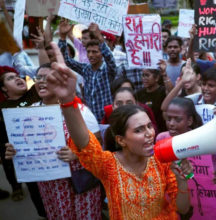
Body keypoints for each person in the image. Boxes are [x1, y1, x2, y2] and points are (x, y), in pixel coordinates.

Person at [44, 41, 193, 218]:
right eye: (138, 130)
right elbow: (85, 143)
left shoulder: (163, 162)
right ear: (121, 139)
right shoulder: (108, 165)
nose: (149, 134)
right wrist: (68, 100)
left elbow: (182, 209)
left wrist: (182, 182)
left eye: (148, 126)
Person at [5, 63, 102, 219]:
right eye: (39, 77)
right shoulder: (30, 112)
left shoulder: (80, 111)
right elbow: (27, 144)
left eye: (47, 77)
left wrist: (76, 154)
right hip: (49, 186)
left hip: (79, 184)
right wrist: (16, 151)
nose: (41, 81)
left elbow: (99, 143)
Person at [0, 66, 46, 217]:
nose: (17, 78)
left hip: (48, 157)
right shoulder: (2, 109)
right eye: (10, 78)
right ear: (3, 89)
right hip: (26, 162)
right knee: (37, 195)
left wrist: (41, 48)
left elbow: (43, 75)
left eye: (17, 75)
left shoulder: (35, 93)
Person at [58, 20, 116, 121]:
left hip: (108, 120)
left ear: (102, 53)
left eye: (95, 52)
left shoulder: (107, 70)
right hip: (91, 120)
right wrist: (63, 37)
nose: (91, 55)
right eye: (88, 52)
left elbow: (110, 59)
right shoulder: (86, 69)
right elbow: (66, 60)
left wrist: (99, 38)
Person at [136, 67, 170, 133]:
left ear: (156, 78)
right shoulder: (139, 93)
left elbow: (171, 92)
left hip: (162, 130)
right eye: (143, 75)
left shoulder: (163, 91)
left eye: (147, 75)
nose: (144, 78)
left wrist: (164, 74)